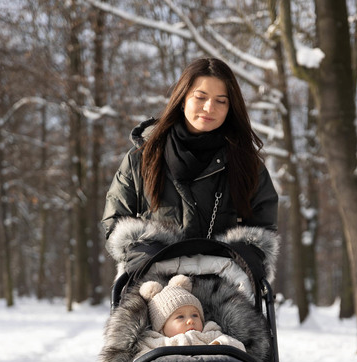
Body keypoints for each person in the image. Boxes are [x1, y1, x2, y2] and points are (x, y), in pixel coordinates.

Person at [101, 57, 279, 282]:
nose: (209, 107)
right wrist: (144, 250)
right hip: (156, 284)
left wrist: (242, 255)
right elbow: (115, 220)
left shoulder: (247, 164)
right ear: (183, 99)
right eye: (200, 97)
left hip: (224, 287)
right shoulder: (142, 158)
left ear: (230, 108)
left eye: (221, 101)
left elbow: (264, 229)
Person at [138, 275, 246, 353]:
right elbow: (139, 360)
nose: (190, 320)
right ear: (161, 326)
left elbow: (238, 347)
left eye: (195, 315)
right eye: (180, 317)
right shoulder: (155, 343)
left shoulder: (210, 334)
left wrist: (218, 346)